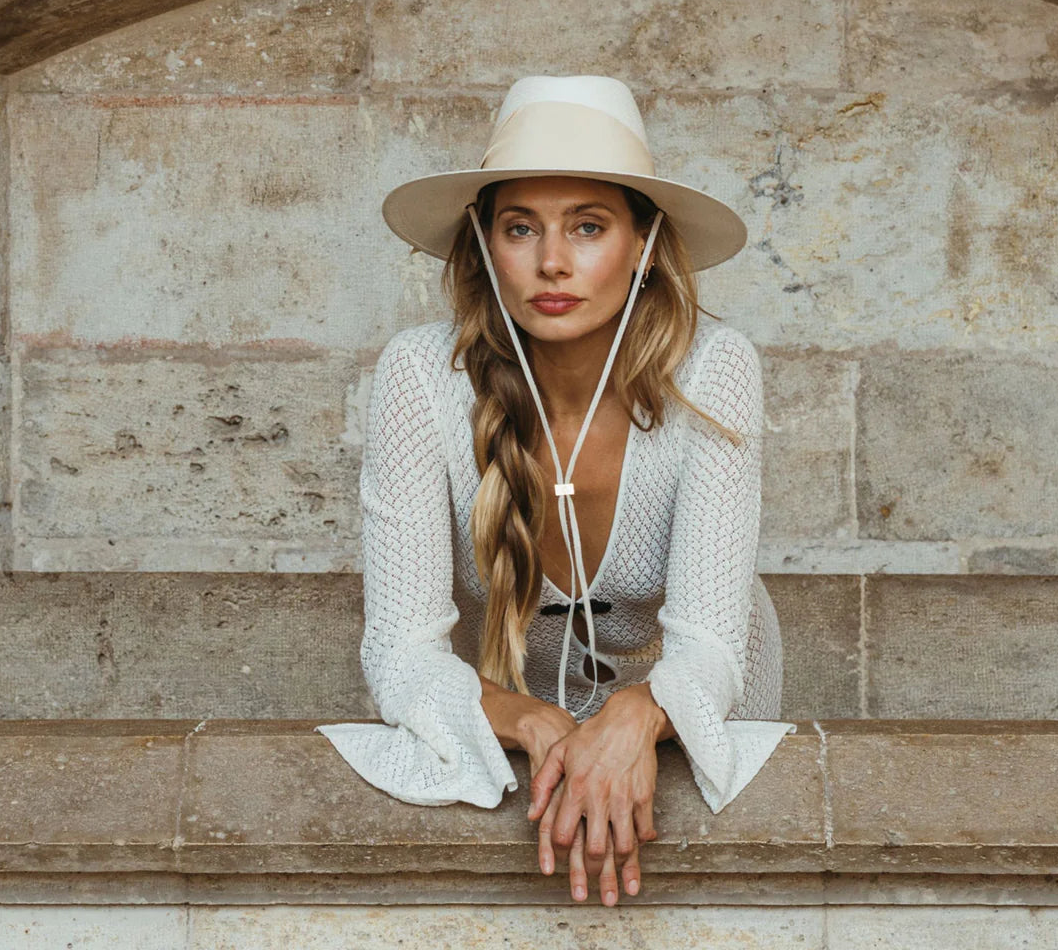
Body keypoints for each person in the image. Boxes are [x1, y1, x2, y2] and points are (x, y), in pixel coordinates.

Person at [317, 74, 794, 906]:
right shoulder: (420, 377)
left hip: (691, 702)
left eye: (588, 226)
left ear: (644, 244)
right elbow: (400, 651)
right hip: (497, 706)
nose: (552, 262)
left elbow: (712, 645)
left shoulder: (716, 369)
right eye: (520, 228)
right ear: (483, 243)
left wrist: (637, 717)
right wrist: (533, 720)